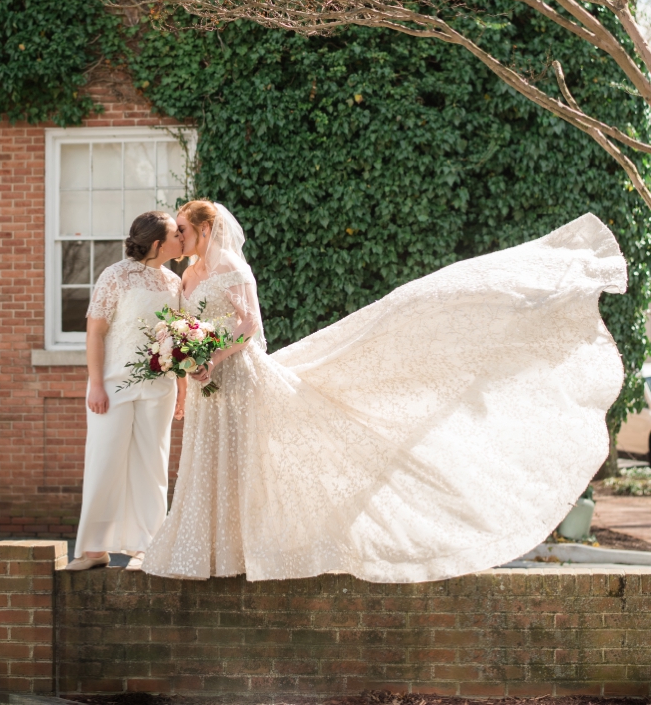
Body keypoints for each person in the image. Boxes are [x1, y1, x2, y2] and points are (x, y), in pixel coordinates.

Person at [142, 199, 627, 583]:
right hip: (208, 383)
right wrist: (190, 370)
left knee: (245, 459)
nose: (178, 237)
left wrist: (213, 357)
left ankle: (246, 550)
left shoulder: (233, 269)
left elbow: (248, 327)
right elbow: (188, 324)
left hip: (238, 375)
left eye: (183, 229)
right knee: (209, 459)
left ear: (206, 230)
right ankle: (206, 549)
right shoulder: (189, 274)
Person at [66, 211, 185, 572]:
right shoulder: (115, 276)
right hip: (113, 386)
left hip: (159, 387)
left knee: (153, 466)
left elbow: (179, 338)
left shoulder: (174, 283)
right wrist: (96, 384)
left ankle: (148, 548)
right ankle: (93, 550)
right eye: (176, 235)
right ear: (157, 243)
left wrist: (180, 388)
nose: (182, 238)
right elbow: (95, 333)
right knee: (104, 462)